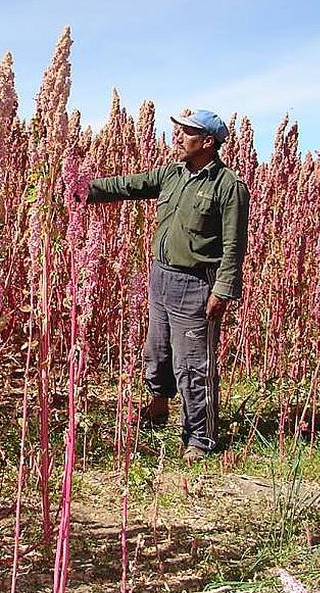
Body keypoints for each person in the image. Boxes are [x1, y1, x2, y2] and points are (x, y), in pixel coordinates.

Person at [85, 110, 250, 464]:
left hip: (196, 284)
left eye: (188, 132)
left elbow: (235, 245)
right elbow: (129, 185)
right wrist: (83, 189)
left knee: (193, 364)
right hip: (161, 277)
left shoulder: (228, 186)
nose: (179, 137)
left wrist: (223, 291)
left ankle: (200, 438)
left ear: (208, 142)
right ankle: (158, 407)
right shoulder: (173, 174)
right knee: (157, 352)